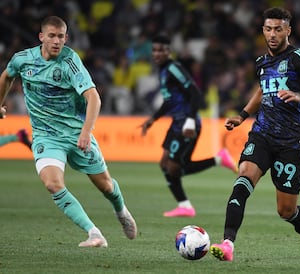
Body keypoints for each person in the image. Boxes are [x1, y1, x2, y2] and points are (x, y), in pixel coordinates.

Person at [0, 16, 137, 247]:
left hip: (76, 134)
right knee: (53, 184)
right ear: (41, 37)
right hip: (46, 136)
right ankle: (94, 233)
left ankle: (121, 210)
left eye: (61, 36)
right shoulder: (23, 60)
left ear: (66, 38)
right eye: (52, 36)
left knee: (106, 186)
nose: (56, 41)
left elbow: (93, 98)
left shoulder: (70, 61)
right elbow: (6, 76)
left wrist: (86, 131)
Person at [210, 7, 300, 261]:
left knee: (286, 210)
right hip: (262, 135)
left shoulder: (299, 58)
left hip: (291, 141)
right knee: (243, 177)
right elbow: (262, 90)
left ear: (288, 30)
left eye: (278, 29)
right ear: (263, 31)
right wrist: (243, 115)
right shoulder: (261, 62)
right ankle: (227, 244)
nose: (273, 34)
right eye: (268, 29)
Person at [140, 34, 238, 218]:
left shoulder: (174, 68)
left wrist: (191, 120)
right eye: (154, 50)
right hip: (176, 122)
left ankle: (218, 159)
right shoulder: (162, 71)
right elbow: (169, 102)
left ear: (169, 51)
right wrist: (153, 119)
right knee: (165, 164)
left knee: (174, 168)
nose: (157, 53)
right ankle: (184, 206)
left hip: (187, 122)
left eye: (161, 50)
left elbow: (195, 93)